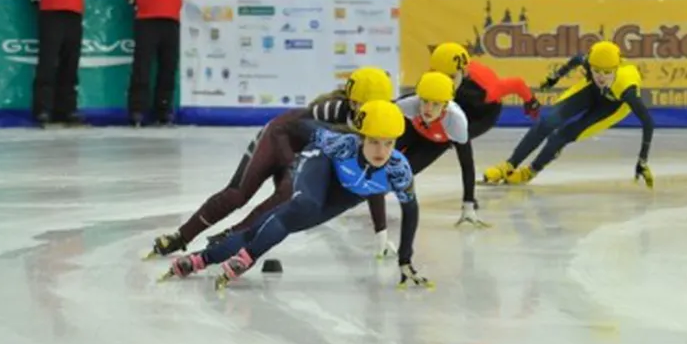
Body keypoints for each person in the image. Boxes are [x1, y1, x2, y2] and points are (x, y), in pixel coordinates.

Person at [163, 100, 432, 290]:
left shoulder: (399, 170)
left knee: (278, 221)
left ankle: (201, 258)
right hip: (320, 165)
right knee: (303, 205)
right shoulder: (342, 145)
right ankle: (247, 257)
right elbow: (303, 126)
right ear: (361, 137)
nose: (381, 150)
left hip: (344, 194)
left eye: (389, 143)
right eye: (373, 140)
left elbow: (411, 211)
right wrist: (287, 141)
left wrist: (405, 260)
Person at [148, 68, 397, 258]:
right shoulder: (331, 110)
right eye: (364, 106)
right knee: (236, 195)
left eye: (379, 108)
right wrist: (291, 162)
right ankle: (181, 236)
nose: (372, 114)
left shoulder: (379, 127)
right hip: (278, 136)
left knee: (286, 197)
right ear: (351, 102)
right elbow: (289, 129)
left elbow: (373, 178)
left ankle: (231, 239)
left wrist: (381, 234)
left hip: (306, 151)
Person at [481, 41, 655, 188]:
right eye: (597, 71)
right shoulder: (591, 62)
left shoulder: (627, 87)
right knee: (547, 121)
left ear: (616, 68)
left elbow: (648, 122)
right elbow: (576, 59)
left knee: (561, 136)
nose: (602, 77)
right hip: (591, 91)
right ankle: (509, 165)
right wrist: (554, 78)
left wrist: (643, 160)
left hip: (613, 105)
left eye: (608, 72)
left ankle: (531, 171)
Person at [391, 71, 486, 227]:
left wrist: (468, 205)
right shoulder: (409, 104)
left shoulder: (456, 121)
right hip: (414, 130)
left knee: (403, 171)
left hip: (435, 143)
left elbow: (467, 164)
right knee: (384, 156)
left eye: (436, 104)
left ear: (445, 105)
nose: (428, 108)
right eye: (425, 101)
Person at [24, 0, 90, 128]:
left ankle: (67, 110)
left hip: (73, 12)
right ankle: (43, 109)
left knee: (70, 62)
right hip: (51, 11)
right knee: (48, 61)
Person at [122, 0, 189, 127]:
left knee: (168, 68)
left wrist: (171, 5)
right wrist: (137, 3)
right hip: (147, 19)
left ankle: (163, 111)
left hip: (170, 20)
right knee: (142, 67)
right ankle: (137, 111)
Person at [428, 42, 540, 141]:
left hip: (486, 111)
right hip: (468, 96)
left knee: (459, 135)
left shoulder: (488, 91)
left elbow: (517, 83)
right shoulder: (445, 70)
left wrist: (531, 102)